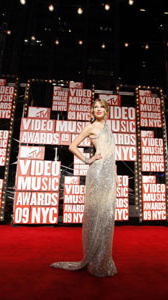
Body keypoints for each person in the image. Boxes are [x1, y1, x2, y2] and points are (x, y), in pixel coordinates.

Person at [51, 99, 118, 277]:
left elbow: (111, 154)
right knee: (96, 214)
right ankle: (95, 260)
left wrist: (114, 176)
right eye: (95, 107)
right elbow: (72, 146)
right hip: (97, 173)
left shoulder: (108, 128)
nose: (98, 109)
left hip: (109, 174)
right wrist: (88, 159)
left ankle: (103, 259)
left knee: (107, 215)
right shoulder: (91, 127)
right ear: (92, 111)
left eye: (101, 107)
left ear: (106, 110)